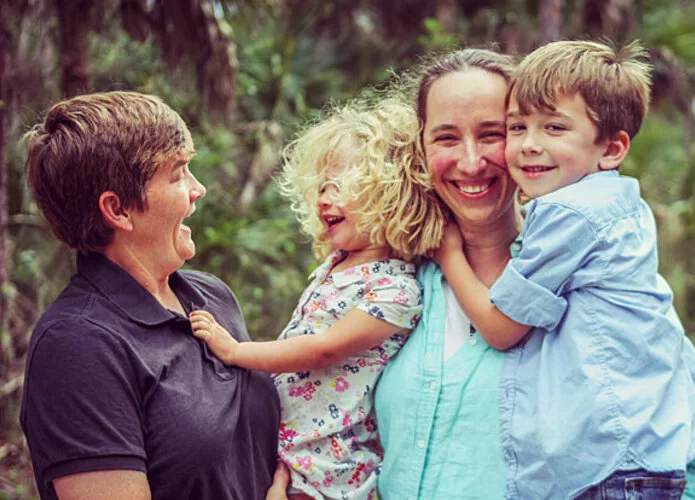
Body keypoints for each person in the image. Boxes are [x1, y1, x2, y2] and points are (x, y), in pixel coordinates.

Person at [373, 48, 695, 499]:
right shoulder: (387, 285)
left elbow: (692, 455)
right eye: (445, 137)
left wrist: (449, 254)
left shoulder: (600, 281)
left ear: (606, 146)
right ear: (420, 148)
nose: (471, 161)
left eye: (493, 133)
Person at [19, 91, 288, 500]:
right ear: (118, 210)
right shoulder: (77, 346)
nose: (199, 189)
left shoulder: (212, 296)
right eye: (178, 174)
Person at [190, 97, 445, 500]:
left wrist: (237, 351)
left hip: (330, 463)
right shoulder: (336, 265)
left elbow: (324, 349)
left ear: (392, 196)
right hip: (293, 448)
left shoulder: (396, 288)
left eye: (342, 187)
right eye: (323, 186)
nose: (326, 198)